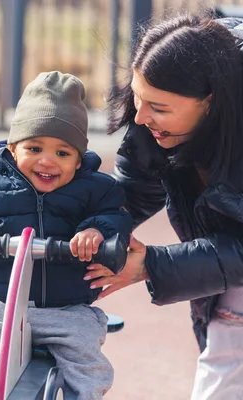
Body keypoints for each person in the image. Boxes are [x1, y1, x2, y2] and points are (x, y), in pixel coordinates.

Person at [0, 71, 132, 400]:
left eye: (63, 153)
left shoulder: (96, 187)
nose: (47, 161)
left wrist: (96, 232)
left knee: (86, 359)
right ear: (12, 146)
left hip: (65, 310)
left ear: (79, 160)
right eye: (34, 148)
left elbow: (113, 216)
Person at [84, 13, 243, 400]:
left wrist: (153, 265)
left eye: (157, 107)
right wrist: (93, 232)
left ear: (211, 102)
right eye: (138, 99)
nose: (140, 117)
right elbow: (132, 191)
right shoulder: (161, 109)